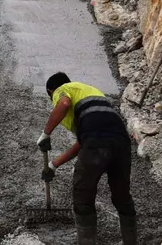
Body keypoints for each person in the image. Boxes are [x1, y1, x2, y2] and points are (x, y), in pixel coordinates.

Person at [38, 72, 136, 245]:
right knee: (121, 196)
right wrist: (54, 165)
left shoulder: (62, 90)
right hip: (121, 142)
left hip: (96, 142)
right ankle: (130, 241)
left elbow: (64, 103)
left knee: (83, 194)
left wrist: (46, 133)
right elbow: (83, 142)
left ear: (51, 90)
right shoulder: (91, 92)